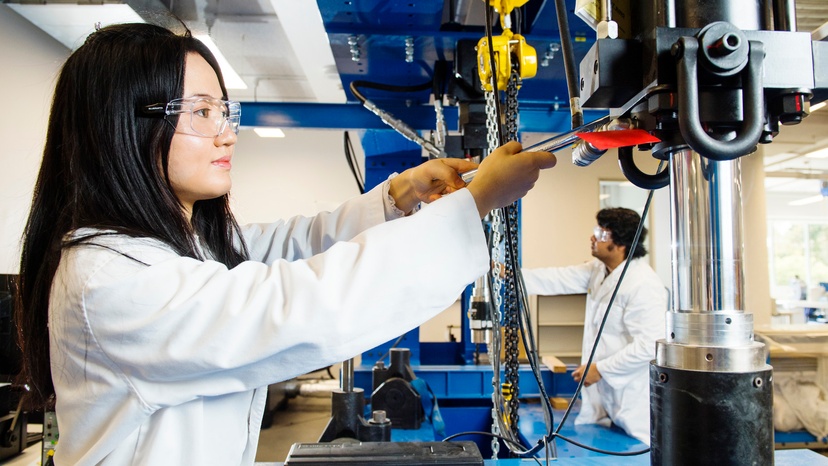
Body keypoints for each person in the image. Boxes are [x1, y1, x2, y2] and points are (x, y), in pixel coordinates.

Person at [13, 22, 557, 466]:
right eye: (202, 112)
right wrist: (475, 203)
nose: (227, 132)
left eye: (224, 110)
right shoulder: (113, 280)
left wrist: (399, 195)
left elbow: (289, 248)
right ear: (121, 125)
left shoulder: (177, 245)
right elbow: (298, 304)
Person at [521, 208, 667, 445]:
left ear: (620, 244)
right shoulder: (599, 270)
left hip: (632, 395)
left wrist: (602, 368)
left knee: (633, 450)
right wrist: (509, 274)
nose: (593, 237)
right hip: (606, 396)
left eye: (601, 233)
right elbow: (558, 278)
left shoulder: (643, 284)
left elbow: (650, 345)